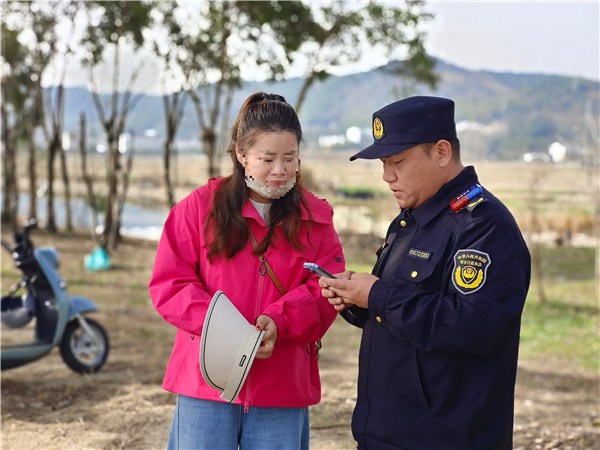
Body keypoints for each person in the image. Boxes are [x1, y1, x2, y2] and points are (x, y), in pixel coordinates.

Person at [320, 96, 531, 449]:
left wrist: (377, 295)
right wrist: (357, 300)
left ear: (442, 152)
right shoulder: (411, 219)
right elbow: (399, 314)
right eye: (384, 163)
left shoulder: (483, 225)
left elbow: (472, 327)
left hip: (446, 438)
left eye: (398, 161)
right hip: (386, 433)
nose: (387, 176)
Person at [149, 92, 345, 450]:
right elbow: (170, 284)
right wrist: (228, 330)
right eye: (267, 159)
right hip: (207, 382)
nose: (280, 169)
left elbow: (326, 287)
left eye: (290, 158)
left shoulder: (316, 219)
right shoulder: (198, 209)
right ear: (241, 154)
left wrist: (280, 321)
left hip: (281, 387)